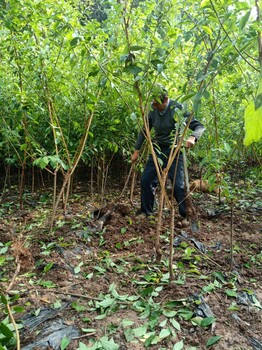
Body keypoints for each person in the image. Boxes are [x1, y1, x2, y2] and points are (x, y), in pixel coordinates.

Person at [131, 85, 205, 226]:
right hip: (158, 149)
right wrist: (136, 151)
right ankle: (146, 212)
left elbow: (199, 126)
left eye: (156, 103)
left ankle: (186, 216)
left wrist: (192, 138)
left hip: (175, 150)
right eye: (152, 102)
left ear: (165, 100)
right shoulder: (153, 110)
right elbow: (144, 130)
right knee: (146, 180)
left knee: (178, 185)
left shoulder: (178, 108)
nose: (153, 105)